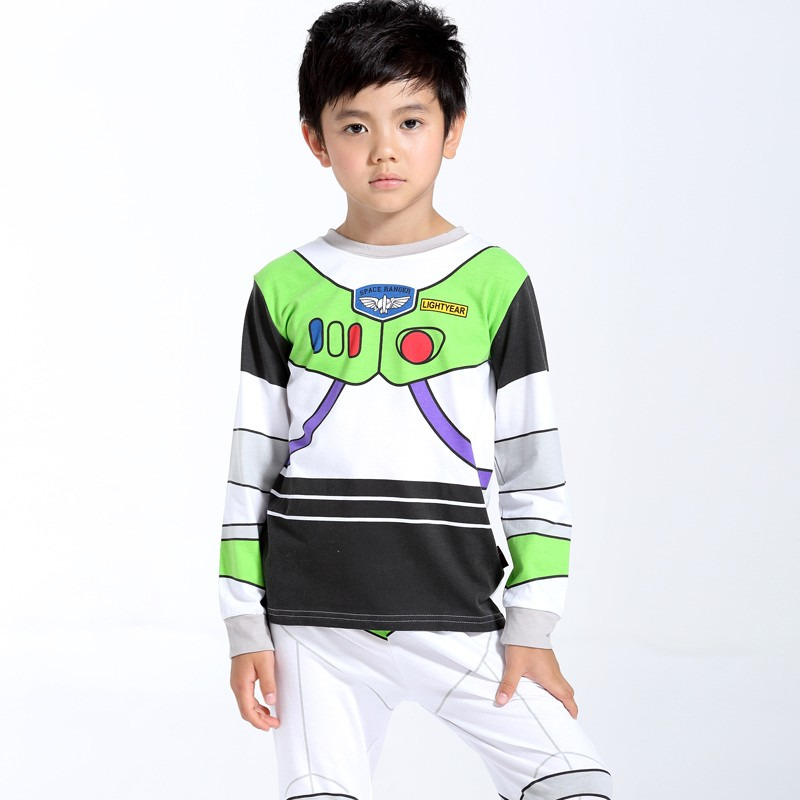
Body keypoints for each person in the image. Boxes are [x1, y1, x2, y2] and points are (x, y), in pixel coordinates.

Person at [217, 1, 613, 797]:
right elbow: (249, 470)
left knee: (574, 783)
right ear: (315, 139)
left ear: (452, 130)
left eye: (410, 121)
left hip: (460, 618)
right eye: (354, 126)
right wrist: (243, 626)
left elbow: (533, 469)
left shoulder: (496, 282)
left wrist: (533, 625)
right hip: (311, 630)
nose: (384, 149)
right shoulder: (283, 286)